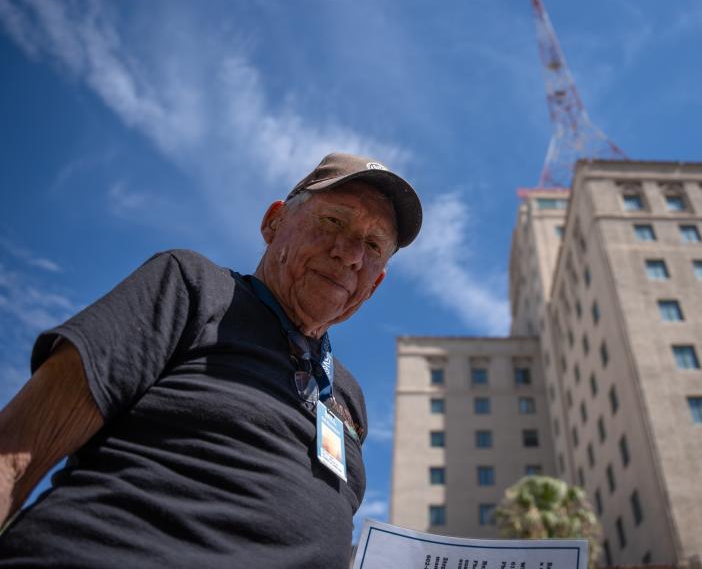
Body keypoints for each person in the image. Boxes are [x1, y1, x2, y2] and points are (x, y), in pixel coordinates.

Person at [0, 152, 423, 568]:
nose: (350, 254)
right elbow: (17, 453)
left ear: (376, 283)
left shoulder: (350, 398)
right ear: (273, 222)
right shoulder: (191, 287)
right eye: (334, 221)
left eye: (372, 246)